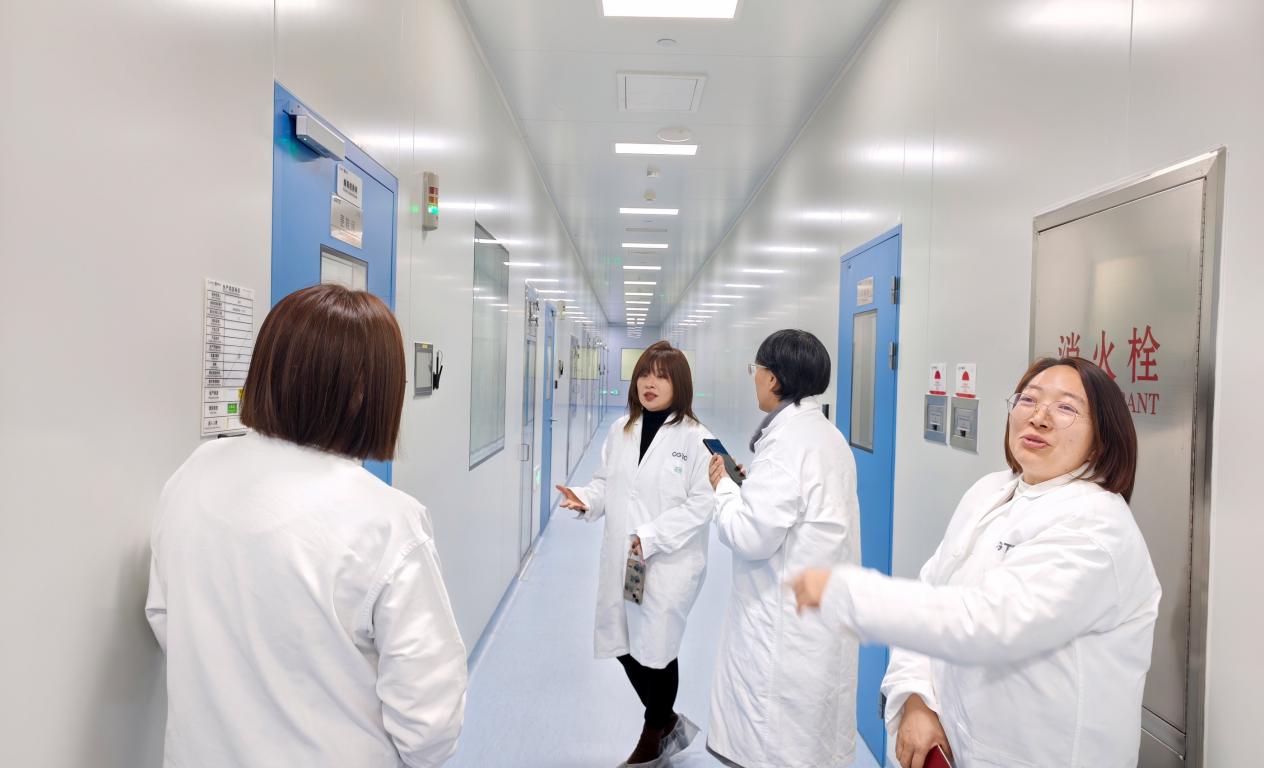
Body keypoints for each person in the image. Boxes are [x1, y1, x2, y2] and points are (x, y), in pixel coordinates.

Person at [144, 284, 467, 768]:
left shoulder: (195, 472)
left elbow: (164, 615)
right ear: (369, 395)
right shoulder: (388, 523)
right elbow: (430, 729)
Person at [792, 356, 1161, 768]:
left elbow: (988, 622)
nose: (1039, 417)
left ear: (1101, 438)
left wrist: (848, 594)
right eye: (1028, 400)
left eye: (1066, 408)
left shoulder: (1097, 528)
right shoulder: (992, 491)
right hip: (957, 744)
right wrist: (917, 698)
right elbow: (932, 589)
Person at [705, 329, 861, 768]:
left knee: (772, 745)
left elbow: (750, 537)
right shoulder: (828, 436)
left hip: (782, 627)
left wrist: (724, 490)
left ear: (772, 379)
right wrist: (750, 487)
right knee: (811, 744)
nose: (754, 378)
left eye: (756, 370)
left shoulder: (786, 446)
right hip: (818, 618)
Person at [556, 341, 713, 767]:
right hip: (626, 560)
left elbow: (703, 504)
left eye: (661, 376)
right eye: (645, 373)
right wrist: (585, 499)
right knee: (624, 642)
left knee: (658, 648)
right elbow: (606, 483)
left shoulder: (698, 439)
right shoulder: (621, 429)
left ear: (679, 384)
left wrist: (653, 536)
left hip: (667, 562)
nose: (649, 383)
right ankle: (667, 721)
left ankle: (652, 733)